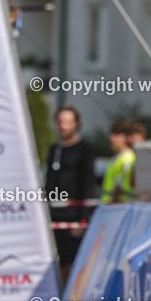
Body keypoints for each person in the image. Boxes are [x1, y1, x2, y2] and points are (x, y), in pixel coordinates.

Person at [44, 105, 95, 285]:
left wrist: (83, 219)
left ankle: (72, 300)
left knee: (73, 262)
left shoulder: (83, 149)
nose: (63, 126)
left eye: (67, 122)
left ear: (76, 124)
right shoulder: (54, 149)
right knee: (56, 260)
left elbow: (88, 184)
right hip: (54, 214)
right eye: (60, 122)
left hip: (73, 215)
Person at [100, 120, 136, 204]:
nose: (112, 138)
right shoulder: (115, 159)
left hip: (121, 206)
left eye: (117, 135)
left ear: (126, 138)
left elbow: (119, 188)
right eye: (111, 134)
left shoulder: (128, 158)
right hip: (111, 205)